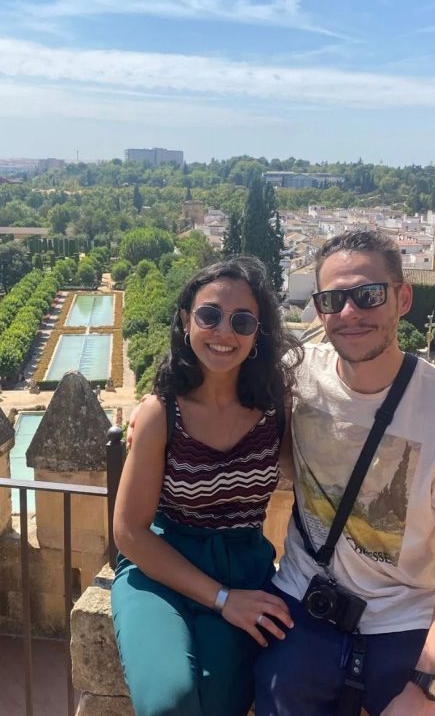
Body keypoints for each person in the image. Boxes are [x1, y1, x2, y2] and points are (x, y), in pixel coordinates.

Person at [253, 230, 435, 716]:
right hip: (303, 604)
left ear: (403, 298)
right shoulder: (295, 377)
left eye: (367, 295)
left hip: (408, 621)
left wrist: (427, 687)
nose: (349, 313)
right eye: (333, 299)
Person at [112, 256, 303, 716]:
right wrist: (222, 600)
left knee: (222, 702)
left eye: (242, 320)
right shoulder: (162, 415)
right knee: (168, 702)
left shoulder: (278, 410)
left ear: (259, 332)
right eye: (209, 315)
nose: (224, 333)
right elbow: (130, 534)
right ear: (186, 320)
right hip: (161, 571)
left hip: (244, 571)